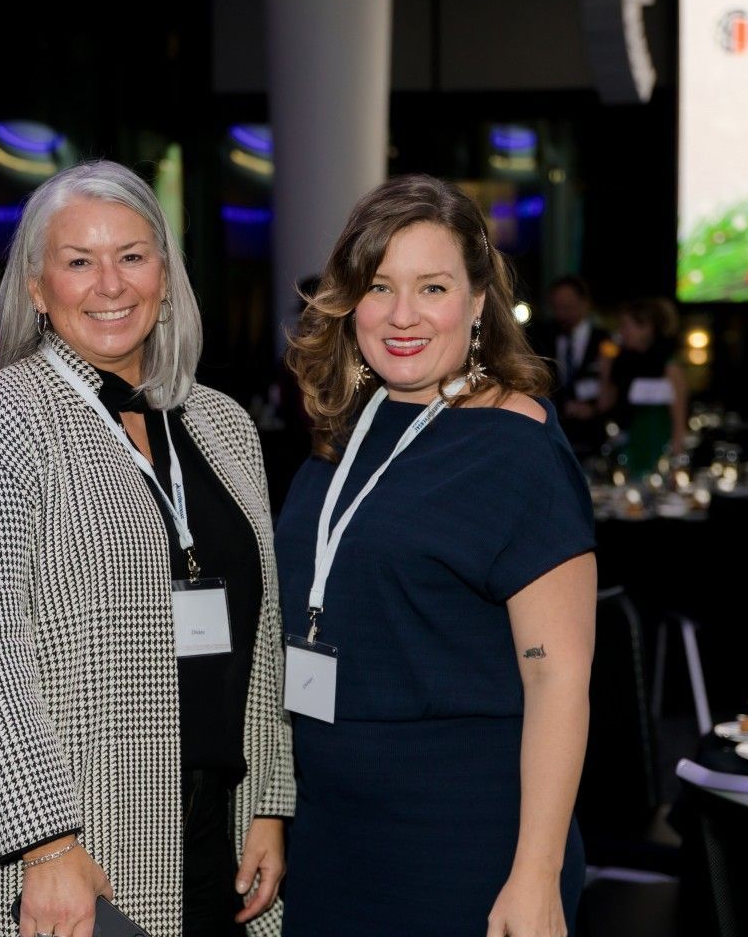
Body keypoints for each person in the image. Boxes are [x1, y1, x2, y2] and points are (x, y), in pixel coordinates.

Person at [0, 161, 293, 937]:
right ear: (36, 286)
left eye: (132, 255)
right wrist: (45, 841)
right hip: (74, 849)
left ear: (165, 272)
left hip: (214, 838)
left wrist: (267, 805)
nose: (110, 284)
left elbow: (262, 633)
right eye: (78, 261)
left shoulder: (223, 426)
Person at [277, 174, 596, 936]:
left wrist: (535, 875)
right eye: (379, 286)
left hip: (463, 850)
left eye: (432, 286)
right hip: (329, 842)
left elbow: (559, 681)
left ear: (479, 299)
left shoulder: (516, 448)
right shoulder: (341, 434)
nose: (402, 315)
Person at [600, 296, 687, 477]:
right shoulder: (622, 362)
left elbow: (679, 419)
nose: (621, 332)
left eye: (626, 325)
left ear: (646, 327)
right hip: (627, 448)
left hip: (659, 449)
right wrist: (606, 369)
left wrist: (676, 461)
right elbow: (604, 404)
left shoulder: (669, 365)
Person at [530, 275, 610, 460]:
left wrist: (593, 408)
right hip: (556, 429)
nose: (562, 314)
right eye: (557, 308)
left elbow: (613, 383)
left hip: (594, 432)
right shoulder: (543, 337)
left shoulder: (604, 340)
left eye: (568, 307)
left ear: (584, 304)